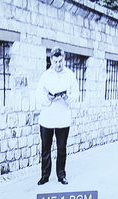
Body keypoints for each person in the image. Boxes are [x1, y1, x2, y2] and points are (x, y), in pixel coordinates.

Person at [36, 48, 79, 186]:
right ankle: (45, 176)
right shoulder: (45, 76)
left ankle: (61, 175)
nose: (58, 64)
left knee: (62, 149)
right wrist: (47, 98)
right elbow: (38, 96)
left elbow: (76, 96)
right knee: (45, 149)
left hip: (63, 119)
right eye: (55, 62)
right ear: (51, 61)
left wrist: (67, 97)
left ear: (64, 59)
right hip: (47, 119)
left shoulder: (70, 75)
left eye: (60, 61)